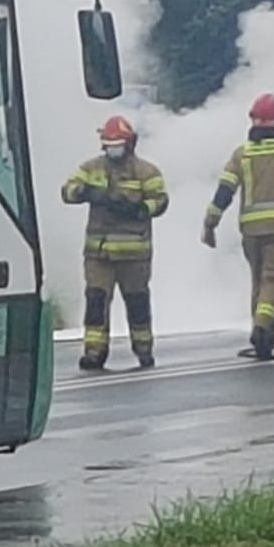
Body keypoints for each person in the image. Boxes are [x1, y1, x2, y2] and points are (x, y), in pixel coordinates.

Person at [201, 92, 274, 360]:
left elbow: (224, 192)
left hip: (251, 232)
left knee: (259, 284)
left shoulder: (242, 155)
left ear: (253, 121)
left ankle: (263, 338)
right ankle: (263, 327)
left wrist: (210, 224)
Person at [61, 114, 168, 370]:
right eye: (109, 145)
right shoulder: (91, 168)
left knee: (137, 303)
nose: (113, 150)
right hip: (99, 255)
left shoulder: (146, 172)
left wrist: (140, 208)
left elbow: (161, 200)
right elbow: (67, 191)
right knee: (96, 301)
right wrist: (86, 192)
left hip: (134, 257)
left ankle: (144, 350)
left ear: (130, 144)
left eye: (118, 144)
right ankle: (94, 352)